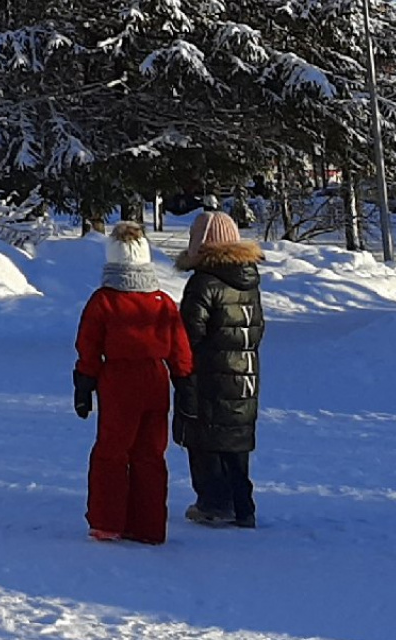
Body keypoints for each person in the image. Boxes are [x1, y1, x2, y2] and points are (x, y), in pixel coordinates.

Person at [74, 221, 193, 544]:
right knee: (151, 454)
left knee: (112, 451)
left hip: (118, 381)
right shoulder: (162, 301)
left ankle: (107, 521)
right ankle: (149, 526)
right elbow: (179, 346)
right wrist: (184, 380)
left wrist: (85, 383)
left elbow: (89, 345)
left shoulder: (104, 301)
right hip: (156, 380)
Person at [173, 211, 265, 529]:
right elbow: (257, 328)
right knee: (236, 442)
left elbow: (189, 333)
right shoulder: (248, 279)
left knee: (205, 440)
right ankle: (243, 506)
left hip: (209, 376)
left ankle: (212, 503)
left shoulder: (203, 283)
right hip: (245, 375)